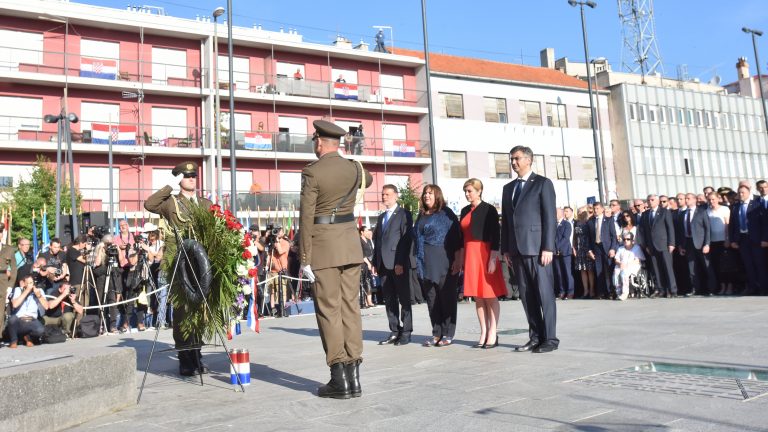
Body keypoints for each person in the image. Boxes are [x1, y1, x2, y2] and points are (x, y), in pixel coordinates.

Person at [299, 119, 372, 399]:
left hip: (324, 247)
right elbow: (369, 179)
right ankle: (355, 379)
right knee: (350, 308)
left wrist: (305, 256)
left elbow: (306, 216)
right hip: (350, 245)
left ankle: (339, 378)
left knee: (329, 310)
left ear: (319, 142)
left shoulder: (312, 172)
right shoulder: (355, 168)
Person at [144, 160, 213, 377]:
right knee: (183, 312)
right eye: (186, 176)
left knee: (200, 312)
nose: (192, 179)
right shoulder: (171, 203)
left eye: (194, 176)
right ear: (179, 179)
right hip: (180, 262)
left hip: (200, 263)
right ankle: (185, 358)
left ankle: (197, 353)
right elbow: (149, 204)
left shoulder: (205, 204)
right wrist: (168, 186)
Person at [501, 145, 558, 353]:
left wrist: (548, 247)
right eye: (511, 159)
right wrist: (506, 249)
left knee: (544, 295)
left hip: (537, 249)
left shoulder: (542, 184)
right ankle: (535, 337)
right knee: (527, 296)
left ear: (528, 160)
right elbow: (506, 221)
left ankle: (550, 339)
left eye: (517, 158)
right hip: (517, 250)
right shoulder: (508, 189)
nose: (513, 162)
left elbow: (549, 217)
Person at [414, 184, 462, 348]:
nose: (427, 196)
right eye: (425, 193)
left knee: (447, 298)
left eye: (430, 193)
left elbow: (456, 239)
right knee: (432, 300)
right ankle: (436, 333)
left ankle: (448, 333)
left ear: (437, 196)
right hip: (424, 261)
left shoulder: (446, 213)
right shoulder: (421, 215)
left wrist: (457, 260)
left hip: (444, 260)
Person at [459, 179, 505, 349]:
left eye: (470, 190)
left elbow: (496, 234)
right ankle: (483, 331)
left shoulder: (489, 209)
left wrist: (493, 257)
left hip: (485, 252)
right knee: (478, 296)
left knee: (489, 294)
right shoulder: (464, 210)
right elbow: (461, 237)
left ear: (479, 191)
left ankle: (493, 331)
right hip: (470, 254)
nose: (467, 194)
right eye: (465, 191)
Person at [372, 184, 414, 346]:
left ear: (396, 196)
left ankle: (407, 331)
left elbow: (406, 240)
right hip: (383, 264)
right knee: (389, 300)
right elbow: (378, 241)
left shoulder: (404, 214)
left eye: (387, 194)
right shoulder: (382, 217)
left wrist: (400, 262)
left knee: (404, 299)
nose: (384, 197)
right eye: (383, 194)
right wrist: (376, 262)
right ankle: (394, 330)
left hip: (398, 263)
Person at [728, 184, 767, 296]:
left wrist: (765, 239)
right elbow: (732, 225)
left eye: (743, 193)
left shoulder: (757, 204)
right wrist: (733, 240)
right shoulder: (735, 207)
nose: (740, 195)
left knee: (759, 264)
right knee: (748, 265)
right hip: (743, 239)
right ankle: (752, 287)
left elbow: (764, 223)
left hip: (756, 239)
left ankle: (763, 288)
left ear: (749, 192)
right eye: (739, 193)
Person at [637, 194, 677, 298]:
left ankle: (672, 290)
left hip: (664, 244)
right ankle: (660, 289)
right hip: (651, 246)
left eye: (652, 200)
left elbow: (670, 228)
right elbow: (642, 231)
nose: (650, 202)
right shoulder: (645, 214)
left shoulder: (665, 212)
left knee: (667, 268)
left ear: (658, 201)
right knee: (656, 269)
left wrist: (671, 243)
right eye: (648, 200)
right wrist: (645, 245)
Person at [678, 193, 716, 296]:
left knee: (707, 266)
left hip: (701, 242)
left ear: (695, 200)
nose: (686, 200)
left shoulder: (702, 212)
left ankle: (711, 289)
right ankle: (695, 288)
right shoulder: (683, 214)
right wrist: (681, 245)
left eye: (688, 198)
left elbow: (707, 229)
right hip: (688, 243)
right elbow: (681, 231)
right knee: (692, 268)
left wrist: (707, 244)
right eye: (685, 198)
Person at [6, 274, 49, 348]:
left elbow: (46, 307)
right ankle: (14, 340)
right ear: (23, 283)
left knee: (40, 330)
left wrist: (39, 296)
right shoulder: (18, 290)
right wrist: (26, 291)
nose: (30, 285)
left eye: (32, 283)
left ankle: (28, 337)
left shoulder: (39, 291)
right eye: (28, 283)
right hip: (18, 320)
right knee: (12, 319)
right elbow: (15, 305)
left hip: (31, 320)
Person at [587, 202, 618, 299]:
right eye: (594, 209)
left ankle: (611, 292)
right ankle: (601, 292)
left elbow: (613, 236)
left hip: (607, 248)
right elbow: (588, 238)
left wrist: (613, 248)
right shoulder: (590, 221)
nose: (595, 211)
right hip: (596, 248)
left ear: (602, 209)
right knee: (598, 270)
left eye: (597, 208)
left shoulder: (609, 220)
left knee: (609, 270)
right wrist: (589, 250)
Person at [707, 192, 732, 295]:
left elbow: (727, 224)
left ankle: (730, 286)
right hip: (713, 241)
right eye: (709, 199)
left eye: (713, 199)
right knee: (717, 265)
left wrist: (727, 238)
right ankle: (722, 286)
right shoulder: (707, 211)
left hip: (723, 240)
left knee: (727, 265)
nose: (711, 201)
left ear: (718, 199)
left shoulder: (725, 209)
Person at [266, 226, 290, 317]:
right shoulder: (271, 242)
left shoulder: (285, 243)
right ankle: (273, 308)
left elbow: (280, 251)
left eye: (280, 231)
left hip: (282, 269)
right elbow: (268, 254)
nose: (278, 232)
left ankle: (282, 308)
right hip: (272, 270)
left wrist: (277, 241)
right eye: (276, 231)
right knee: (272, 290)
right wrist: (267, 265)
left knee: (282, 289)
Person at [613, 233, 644, 301]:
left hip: (633, 266)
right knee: (616, 271)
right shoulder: (620, 249)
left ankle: (625, 293)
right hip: (622, 265)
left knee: (624, 272)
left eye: (628, 239)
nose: (626, 241)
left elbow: (638, 260)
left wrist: (627, 265)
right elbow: (616, 259)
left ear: (632, 240)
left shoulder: (637, 248)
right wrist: (619, 263)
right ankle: (618, 292)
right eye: (624, 239)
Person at [0, 224, 18, 338]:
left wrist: (10, 285)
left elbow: (14, 269)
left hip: (2, 281)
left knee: (1, 310)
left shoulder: (9, 249)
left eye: (0, 232)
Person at [573, 208, 595, 298]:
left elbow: (592, 236)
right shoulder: (576, 223)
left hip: (587, 248)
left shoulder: (589, 222)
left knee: (589, 270)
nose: (580, 213)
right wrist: (574, 248)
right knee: (582, 270)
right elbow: (575, 237)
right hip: (579, 249)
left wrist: (590, 250)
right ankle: (585, 291)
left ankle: (592, 290)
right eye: (579, 212)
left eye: (582, 212)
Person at [553, 207, 574, 300]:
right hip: (555, 252)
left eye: (556, 213)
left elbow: (566, 238)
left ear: (561, 213)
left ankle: (570, 292)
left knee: (567, 272)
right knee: (559, 273)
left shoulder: (566, 224)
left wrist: (558, 247)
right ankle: (562, 291)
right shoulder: (553, 224)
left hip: (565, 251)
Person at [358, 226, 375, 309]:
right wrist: (368, 263)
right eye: (366, 230)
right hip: (363, 264)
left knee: (369, 282)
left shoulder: (368, 240)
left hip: (370, 263)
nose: (368, 232)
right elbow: (361, 253)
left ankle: (370, 301)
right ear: (362, 232)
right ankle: (363, 301)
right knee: (364, 281)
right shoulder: (359, 240)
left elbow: (371, 251)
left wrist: (372, 264)